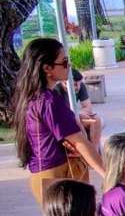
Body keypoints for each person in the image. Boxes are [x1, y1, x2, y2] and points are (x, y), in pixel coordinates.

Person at [13, 38, 105, 204]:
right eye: (64, 62)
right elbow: (79, 142)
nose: (69, 66)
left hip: (46, 175)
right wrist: (109, 176)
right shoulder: (48, 101)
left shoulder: (32, 97)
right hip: (60, 176)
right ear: (47, 68)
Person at [55, 68, 103, 148]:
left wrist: (78, 113)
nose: (77, 87)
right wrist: (79, 113)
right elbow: (63, 114)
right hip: (64, 122)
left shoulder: (81, 86)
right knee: (80, 128)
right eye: (74, 84)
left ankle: (95, 151)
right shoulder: (57, 90)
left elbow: (88, 107)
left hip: (75, 116)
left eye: (78, 84)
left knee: (96, 120)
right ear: (65, 83)